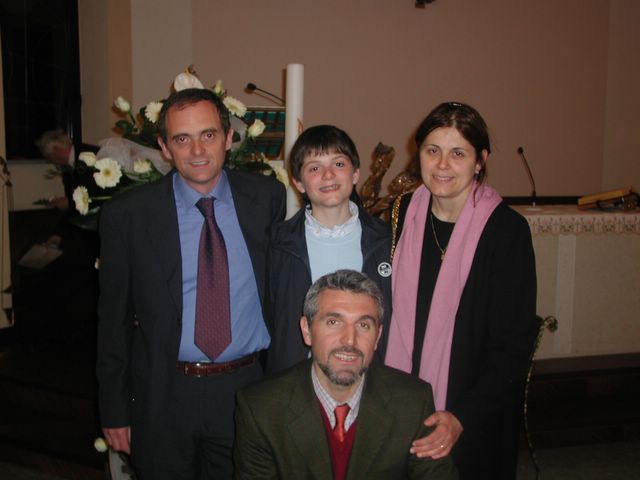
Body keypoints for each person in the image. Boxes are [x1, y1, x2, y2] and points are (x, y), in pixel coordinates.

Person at [96, 87, 286, 479]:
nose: (197, 151)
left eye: (208, 135)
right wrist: (114, 408)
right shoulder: (128, 216)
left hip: (246, 389)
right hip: (163, 390)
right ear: (164, 147)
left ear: (229, 138)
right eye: (182, 139)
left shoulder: (267, 198)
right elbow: (113, 321)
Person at [385, 102, 537, 479]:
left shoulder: (506, 232)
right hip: (402, 401)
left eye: (458, 154)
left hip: (474, 415)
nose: (442, 165)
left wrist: (461, 416)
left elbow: (513, 344)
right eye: (432, 150)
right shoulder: (403, 214)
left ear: (480, 161)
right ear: (418, 153)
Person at [234, 269, 457, 480]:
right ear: (307, 330)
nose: (349, 340)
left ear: (378, 336)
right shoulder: (262, 408)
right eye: (333, 322)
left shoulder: (413, 401)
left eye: (363, 325)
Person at [265, 125, 392, 374]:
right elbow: (270, 317)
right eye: (314, 168)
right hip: (297, 377)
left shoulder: (388, 240)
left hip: (370, 378)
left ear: (355, 173)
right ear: (298, 183)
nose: (328, 175)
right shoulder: (277, 243)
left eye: (339, 164)